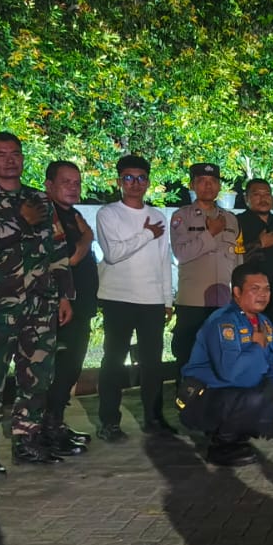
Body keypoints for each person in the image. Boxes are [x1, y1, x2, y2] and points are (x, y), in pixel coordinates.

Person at [0, 131, 75, 476]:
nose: (10, 160)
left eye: (15, 153)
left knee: (37, 377)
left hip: (40, 305)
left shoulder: (40, 198)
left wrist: (65, 295)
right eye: (1, 154)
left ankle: (28, 441)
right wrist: (20, 220)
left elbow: (57, 247)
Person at [178, 265, 273, 466]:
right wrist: (256, 346)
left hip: (240, 390)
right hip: (206, 396)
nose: (263, 295)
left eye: (267, 289)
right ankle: (221, 445)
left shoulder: (263, 321)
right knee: (255, 398)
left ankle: (246, 430)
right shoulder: (224, 321)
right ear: (237, 292)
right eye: (255, 289)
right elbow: (229, 373)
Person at [93, 155, 174, 442]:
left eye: (141, 178)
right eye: (128, 178)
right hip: (118, 297)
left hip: (151, 300)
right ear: (119, 181)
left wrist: (167, 299)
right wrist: (147, 234)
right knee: (114, 361)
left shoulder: (158, 215)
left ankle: (154, 418)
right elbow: (114, 253)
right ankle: (109, 421)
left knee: (152, 363)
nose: (135, 184)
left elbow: (164, 260)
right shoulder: (108, 214)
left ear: (148, 182)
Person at [42, 160, 97, 452]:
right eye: (66, 182)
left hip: (80, 306)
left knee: (71, 369)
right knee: (60, 371)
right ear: (49, 185)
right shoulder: (47, 215)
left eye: (77, 183)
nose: (73, 188)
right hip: (61, 308)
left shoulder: (71, 214)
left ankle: (57, 424)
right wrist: (88, 237)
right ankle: (48, 430)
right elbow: (70, 258)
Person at [169, 161, 241, 383]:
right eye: (202, 181)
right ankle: (186, 397)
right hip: (193, 301)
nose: (208, 186)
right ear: (192, 185)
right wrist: (210, 234)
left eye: (213, 181)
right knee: (188, 354)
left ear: (219, 186)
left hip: (223, 301)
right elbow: (181, 253)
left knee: (221, 353)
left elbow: (238, 258)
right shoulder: (181, 217)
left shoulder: (231, 218)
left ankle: (216, 396)